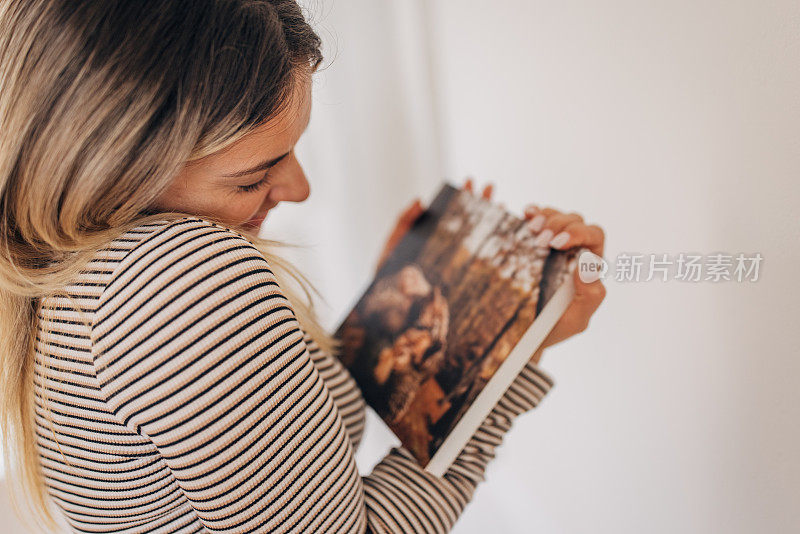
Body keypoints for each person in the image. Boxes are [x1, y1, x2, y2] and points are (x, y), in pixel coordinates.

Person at [0, 1, 606, 532]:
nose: (299, 188)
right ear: (109, 168)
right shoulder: (175, 282)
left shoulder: (71, 277)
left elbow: (271, 455)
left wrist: (390, 311)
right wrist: (505, 357)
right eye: (253, 176)